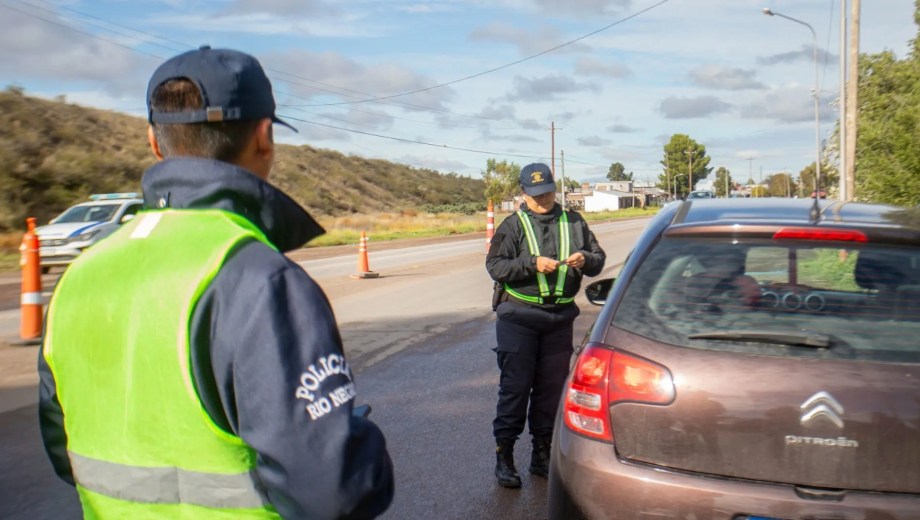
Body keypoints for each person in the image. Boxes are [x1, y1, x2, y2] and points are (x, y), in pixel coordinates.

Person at [37, 46, 394, 519]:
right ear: (264, 137)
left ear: (154, 140)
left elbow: (62, 445)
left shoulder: (80, 273)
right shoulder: (259, 279)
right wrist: (355, 438)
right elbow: (334, 491)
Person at [485, 162, 607, 488]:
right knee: (515, 388)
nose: (543, 199)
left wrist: (587, 259)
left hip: (559, 319)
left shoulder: (574, 221)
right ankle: (504, 456)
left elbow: (598, 260)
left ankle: (541, 454)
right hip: (519, 318)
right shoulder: (513, 225)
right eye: (536, 194)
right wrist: (532, 263)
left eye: (548, 192)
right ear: (524, 194)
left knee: (551, 390)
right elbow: (495, 266)